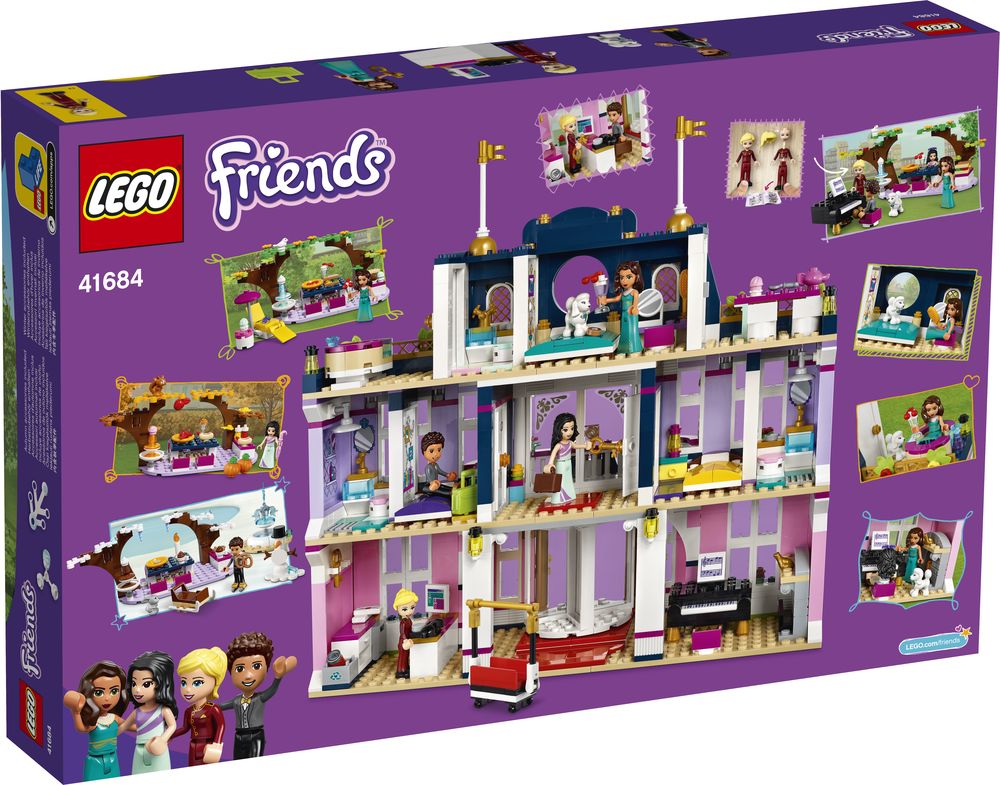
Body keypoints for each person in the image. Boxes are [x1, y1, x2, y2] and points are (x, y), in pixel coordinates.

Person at [218, 632, 296, 759]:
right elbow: (220, 706)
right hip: (239, 736)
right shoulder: (236, 700)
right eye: (239, 669)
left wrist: (278, 677)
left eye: (256, 666)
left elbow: (272, 690)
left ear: (266, 669)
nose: (248, 676)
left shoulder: (259, 698)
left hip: (256, 735)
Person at [64, 661, 129, 780]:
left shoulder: (114, 718)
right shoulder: (95, 722)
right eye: (99, 692)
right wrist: (76, 712)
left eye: (114, 691)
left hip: (113, 758)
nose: (107, 698)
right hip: (95, 760)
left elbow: (130, 725)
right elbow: (81, 729)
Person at [121, 651, 177, 775]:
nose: (137, 690)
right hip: (139, 750)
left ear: (161, 684)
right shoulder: (137, 712)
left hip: (157, 749)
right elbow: (124, 726)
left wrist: (163, 739)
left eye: (146, 684)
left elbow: (172, 725)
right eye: (134, 683)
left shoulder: (163, 710)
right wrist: (110, 733)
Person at [173, 648, 227, 766]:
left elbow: (221, 726)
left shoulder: (213, 709)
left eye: (197, 683)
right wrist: (169, 736)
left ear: (215, 682)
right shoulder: (189, 711)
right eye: (183, 683)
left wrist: (217, 744)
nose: (187, 689)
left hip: (209, 746)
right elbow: (185, 728)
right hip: (193, 746)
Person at [543, 413, 592, 506]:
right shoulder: (559, 445)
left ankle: (569, 496)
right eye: (565, 430)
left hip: (568, 463)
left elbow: (577, 446)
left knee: (568, 481)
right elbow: (553, 455)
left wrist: (586, 446)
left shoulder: (570, 443)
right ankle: (559, 498)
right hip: (561, 464)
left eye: (572, 428)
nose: (569, 432)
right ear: (558, 430)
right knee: (560, 482)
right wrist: (550, 463)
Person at [599, 261, 644, 355]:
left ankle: (634, 348)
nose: (624, 281)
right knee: (624, 331)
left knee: (632, 331)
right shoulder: (623, 293)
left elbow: (635, 303)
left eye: (629, 277)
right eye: (621, 277)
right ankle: (624, 349)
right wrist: (605, 300)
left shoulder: (634, 292)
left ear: (636, 277)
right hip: (624, 315)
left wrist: (634, 308)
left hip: (631, 315)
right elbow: (616, 299)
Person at [419, 431, 456, 497]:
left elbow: (441, 471)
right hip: (430, 485)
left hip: (437, 484)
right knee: (446, 492)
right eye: (431, 451)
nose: (436, 454)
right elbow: (429, 478)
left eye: (439, 450)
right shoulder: (428, 467)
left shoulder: (436, 465)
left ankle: (453, 490)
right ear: (424, 452)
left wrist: (448, 475)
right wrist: (432, 483)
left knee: (448, 488)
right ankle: (450, 493)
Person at [393, 587, 419, 679]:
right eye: (405, 609)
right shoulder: (403, 622)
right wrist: (405, 642)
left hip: (407, 640)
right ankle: (401, 671)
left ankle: (406, 668)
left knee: (406, 655)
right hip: (404, 642)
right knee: (403, 656)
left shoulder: (408, 619)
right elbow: (403, 633)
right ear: (398, 609)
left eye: (412, 607)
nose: (410, 611)